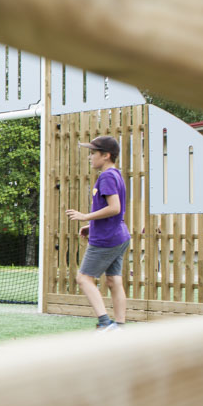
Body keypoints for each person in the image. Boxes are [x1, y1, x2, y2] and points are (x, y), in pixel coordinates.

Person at [65, 135, 131, 331]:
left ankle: (105, 323)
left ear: (106, 155)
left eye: (93, 153)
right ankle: (119, 326)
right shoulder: (116, 175)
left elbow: (115, 208)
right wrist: (92, 225)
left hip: (106, 239)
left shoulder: (106, 177)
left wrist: (86, 217)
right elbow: (114, 211)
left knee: (83, 278)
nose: (90, 157)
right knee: (114, 281)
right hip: (119, 235)